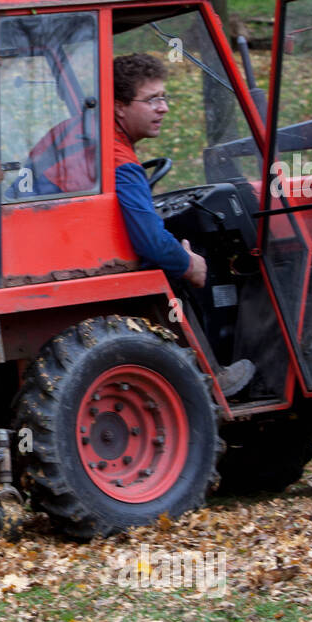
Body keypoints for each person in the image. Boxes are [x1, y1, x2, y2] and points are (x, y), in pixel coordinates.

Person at [112, 52, 255, 398]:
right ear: (118, 107)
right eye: (152, 100)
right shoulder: (121, 163)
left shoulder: (82, 140)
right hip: (101, 264)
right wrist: (190, 264)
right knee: (172, 270)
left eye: (164, 97)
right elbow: (150, 241)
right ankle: (210, 375)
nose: (164, 108)